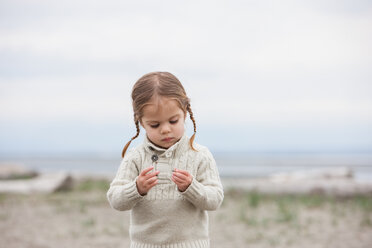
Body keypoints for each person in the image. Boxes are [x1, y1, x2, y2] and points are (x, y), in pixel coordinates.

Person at [107, 71, 224, 248]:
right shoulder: (135, 157)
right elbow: (115, 200)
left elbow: (214, 199)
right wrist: (136, 188)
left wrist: (191, 188)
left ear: (184, 113)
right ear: (141, 122)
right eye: (155, 125)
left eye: (173, 121)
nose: (165, 130)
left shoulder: (200, 155)